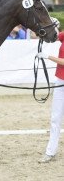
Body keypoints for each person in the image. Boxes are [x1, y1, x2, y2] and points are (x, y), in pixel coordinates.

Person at [37, 31, 64, 163]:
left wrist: (48, 56)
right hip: (60, 81)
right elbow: (53, 37)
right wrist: (42, 31)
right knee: (55, 118)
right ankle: (50, 151)